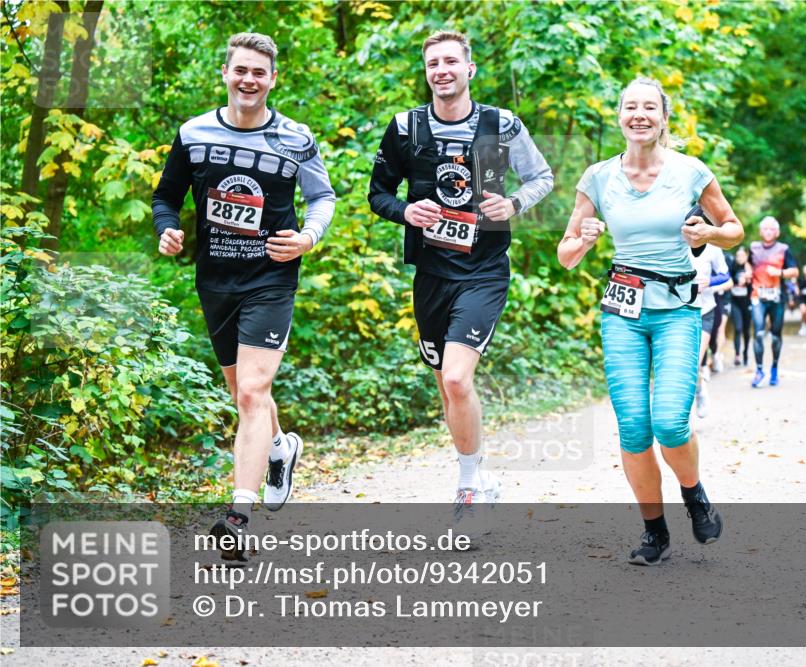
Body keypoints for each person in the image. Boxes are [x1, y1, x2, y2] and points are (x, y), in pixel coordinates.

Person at [152, 33, 336, 560]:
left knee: (254, 393)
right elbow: (167, 196)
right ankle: (281, 449)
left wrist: (307, 237)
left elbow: (321, 196)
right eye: (241, 71)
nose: (249, 80)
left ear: (272, 79)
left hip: (272, 277)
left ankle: (237, 516)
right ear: (227, 74)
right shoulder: (194, 132)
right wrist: (168, 228)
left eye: (259, 72)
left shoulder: (295, 138)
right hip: (216, 281)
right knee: (243, 395)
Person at [557, 77, 743, 565]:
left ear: (663, 118)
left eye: (649, 108)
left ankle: (694, 494)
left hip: (679, 310)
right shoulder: (598, 177)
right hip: (622, 311)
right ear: (619, 116)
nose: (639, 115)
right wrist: (585, 239)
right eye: (629, 107)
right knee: (635, 429)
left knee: (670, 423)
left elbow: (733, 229)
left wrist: (707, 231)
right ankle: (654, 533)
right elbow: (566, 254)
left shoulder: (691, 172)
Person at [367, 31, 553, 517]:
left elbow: (542, 178)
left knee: (455, 379)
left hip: (484, 269)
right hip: (431, 272)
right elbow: (378, 194)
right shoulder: (406, 128)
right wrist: (407, 212)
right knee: (445, 384)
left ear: (470, 70)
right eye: (433, 63)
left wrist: (512, 202)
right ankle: (480, 473)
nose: (441, 70)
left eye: (451, 61)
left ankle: (467, 488)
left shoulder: (501, 125)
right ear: (426, 72)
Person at [749, 216, 799, 388]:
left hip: (777, 297)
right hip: (757, 296)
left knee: (776, 336)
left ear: (777, 232)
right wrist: (746, 274)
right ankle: (759, 370)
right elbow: (747, 265)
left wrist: (780, 273)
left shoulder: (784, 249)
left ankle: (775, 368)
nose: (768, 232)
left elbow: (794, 271)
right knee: (759, 333)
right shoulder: (753, 248)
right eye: (765, 228)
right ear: (760, 231)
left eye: (772, 229)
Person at [692, 242, 732, 417]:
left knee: (693, 364)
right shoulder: (672, 241)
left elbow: (725, 275)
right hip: (677, 313)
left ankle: (698, 395)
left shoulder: (712, 248)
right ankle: (700, 386)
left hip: (705, 310)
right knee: (684, 366)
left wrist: (709, 281)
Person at [730, 246, 752, 366]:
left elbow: (753, 284)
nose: (740, 258)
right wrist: (738, 280)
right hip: (735, 302)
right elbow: (728, 278)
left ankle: (745, 353)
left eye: (742, 256)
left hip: (747, 303)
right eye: (738, 256)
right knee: (738, 328)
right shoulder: (733, 265)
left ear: (746, 256)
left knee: (746, 330)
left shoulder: (750, 268)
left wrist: (748, 279)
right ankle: (737, 355)